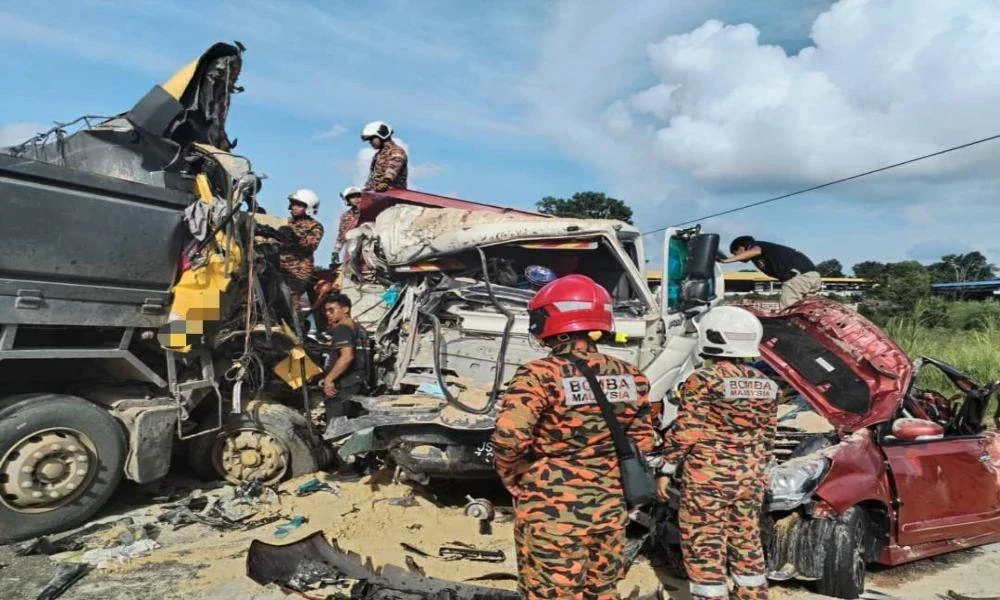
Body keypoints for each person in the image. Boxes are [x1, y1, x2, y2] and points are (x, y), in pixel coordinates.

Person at [491, 275, 657, 600]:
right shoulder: (632, 376)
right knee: (601, 592)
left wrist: (511, 475)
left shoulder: (539, 375)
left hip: (551, 513)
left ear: (548, 319)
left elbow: (510, 436)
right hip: (610, 510)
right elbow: (644, 442)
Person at [656, 306, 778, 600]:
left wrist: (666, 469)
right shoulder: (768, 385)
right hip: (750, 477)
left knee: (705, 543)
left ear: (711, 337)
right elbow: (768, 436)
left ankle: (710, 596)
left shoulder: (703, 380)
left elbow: (688, 430)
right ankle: (752, 594)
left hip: (708, 479)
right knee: (746, 539)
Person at [720, 236, 821, 309]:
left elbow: (755, 251)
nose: (737, 258)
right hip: (813, 276)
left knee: (788, 311)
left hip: (796, 276)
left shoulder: (755, 246)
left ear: (742, 248)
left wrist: (726, 260)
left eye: (736, 254)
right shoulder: (767, 250)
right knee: (808, 309)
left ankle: (791, 336)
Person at [320, 293, 367, 421]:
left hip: (344, 384)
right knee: (356, 421)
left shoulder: (342, 328)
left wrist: (329, 379)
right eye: (326, 311)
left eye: (331, 310)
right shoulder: (360, 328)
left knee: (338, 424)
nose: (328, 314)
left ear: (345, 309)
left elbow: (347, 356)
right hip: (359, 381)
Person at [277, 189, 324, 319]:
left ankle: (297, 329)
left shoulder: (315, 226)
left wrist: (295, 236)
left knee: (292, 301)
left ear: (308, 207)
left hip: (298, 270)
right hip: (280, 267)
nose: (294, 207)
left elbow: (312, 245)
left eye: (298, 204)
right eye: (293, 204)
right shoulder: (285, 222)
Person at [361, 121, 408, 192]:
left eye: (372, 139)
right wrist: (367, 189)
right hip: (379, 194)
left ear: (381, 135)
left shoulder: (396, 151)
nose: (370, 142)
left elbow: (393, 168)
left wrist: (385, 181)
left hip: (394, 193)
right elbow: (373, 176)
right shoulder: (378, 155)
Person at [332, 186, 363, 266]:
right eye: (352, 197)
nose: (356, 199)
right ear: (347, 200)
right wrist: (335, 252)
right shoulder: (345, 216)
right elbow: (341, 236)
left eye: (358, 196)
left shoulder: (370, 210)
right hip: (353, 250)